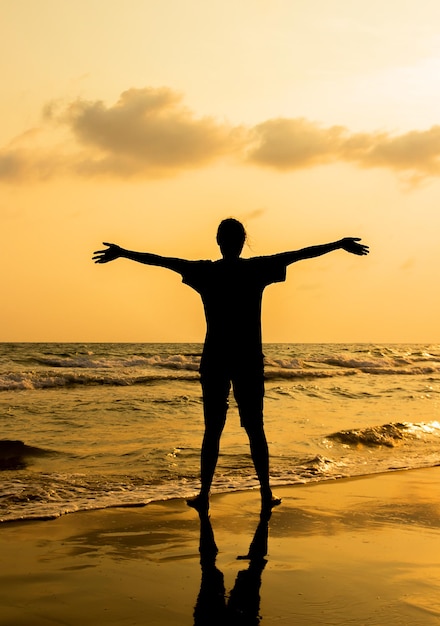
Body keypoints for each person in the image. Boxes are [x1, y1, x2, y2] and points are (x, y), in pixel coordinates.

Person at [93, 218, 369, 514]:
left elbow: (162, 261)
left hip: (215, 360)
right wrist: (339, 245)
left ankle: (204, 495)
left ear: (219, 242)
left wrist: (123, 253)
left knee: (212, 430)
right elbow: (300, 254)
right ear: (242, 242)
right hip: (248, 360)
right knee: (255, 429)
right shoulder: (256, 269)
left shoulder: (206, 271)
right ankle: (265, 493)